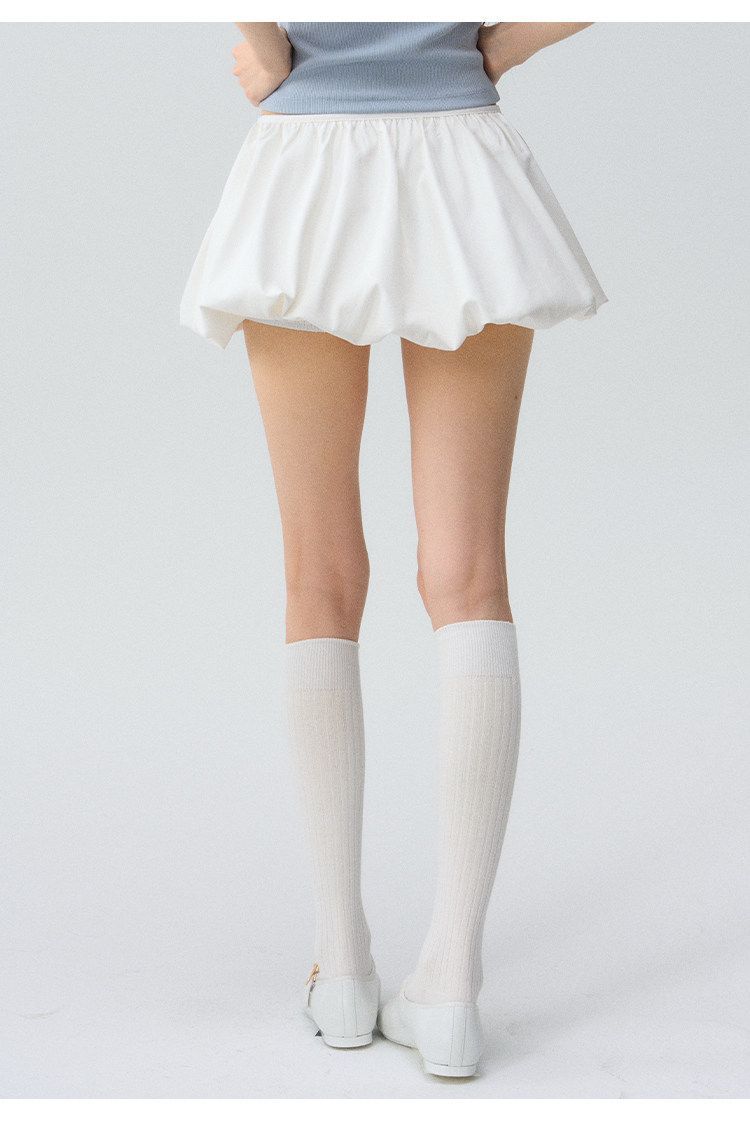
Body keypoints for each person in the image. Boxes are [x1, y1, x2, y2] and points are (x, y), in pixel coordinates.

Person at [179, 21, 608, 1079]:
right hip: (462, 157)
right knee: (470, 575)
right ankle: (451, 984)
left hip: (304, 159)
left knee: (318, 576)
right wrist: (498, 45)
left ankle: (341, 968)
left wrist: (264, 43)